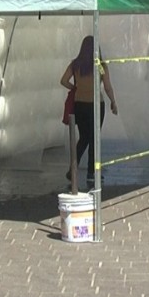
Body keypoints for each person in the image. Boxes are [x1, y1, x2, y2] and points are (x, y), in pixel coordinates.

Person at [59, 35, 118, 185]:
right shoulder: (99, 65)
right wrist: (113, 102)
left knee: (84, 138)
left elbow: (63, 80)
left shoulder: (76, 64)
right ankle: (92, 173)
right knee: (94, 140)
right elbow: (107, 86)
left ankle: (72, 169)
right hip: (96, 105)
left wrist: (76, 88)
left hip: (80, 106)